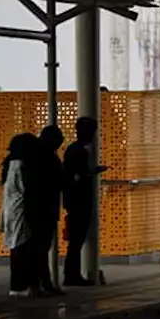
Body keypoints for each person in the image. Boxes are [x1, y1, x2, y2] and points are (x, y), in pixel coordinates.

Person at [62, 116, 106, 286]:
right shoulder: (80, 151)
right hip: (79, 201)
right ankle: (71, 274)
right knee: (77, 239)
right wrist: (92, 173)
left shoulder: (72, 149)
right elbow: (77, 176)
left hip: (72, 200)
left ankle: (71, 273)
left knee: (76, 239)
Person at [0, 133, 41, 298]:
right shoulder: (22, 166)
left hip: (10, 210)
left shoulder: (8, 164)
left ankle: (17, 284)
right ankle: (22, 284)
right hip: (21, 209)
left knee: (16, 247)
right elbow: (27, 189)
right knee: (23, 247)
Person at [29, 125, 66, 296]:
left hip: (37, 208)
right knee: (42, 248)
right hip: (45, 208)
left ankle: (41, 283)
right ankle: (43, 283)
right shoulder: (49, 158)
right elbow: (59, 180)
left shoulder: (35, 156)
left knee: (39, 248)